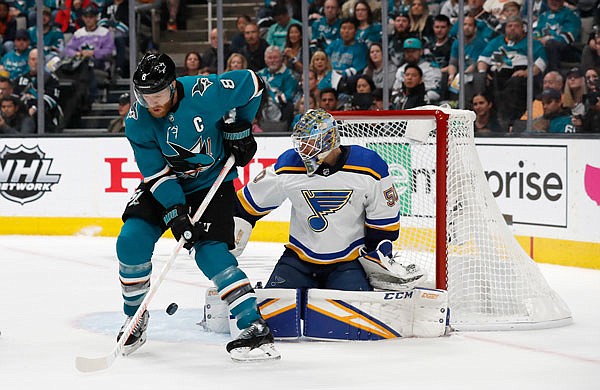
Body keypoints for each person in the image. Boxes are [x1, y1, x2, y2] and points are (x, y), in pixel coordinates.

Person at [117, 51, 279, 360]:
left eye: (159, 94)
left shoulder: (206, 91)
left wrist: (241, 128)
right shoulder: (137, 121)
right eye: (145, 96)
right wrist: (176, 212)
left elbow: (255, 84)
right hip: (166, 185)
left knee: (211, 253)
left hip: (211, 183)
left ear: (174, 86)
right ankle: (134, 317)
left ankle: (253, 326)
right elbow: (156, 173)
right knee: (130, 240)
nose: (153, 103)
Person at [233, 108, 401, 292]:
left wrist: (376, 257)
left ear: (330, 139)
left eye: (310, 142)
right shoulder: (289, 165)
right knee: (274, 312)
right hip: (298, 259)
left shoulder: (369, 166)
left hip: (349, 262)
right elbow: (247, 205)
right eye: (301, 142)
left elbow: (384, 224)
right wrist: (235, 226)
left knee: (352, 316)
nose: (303, 148)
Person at [533, 0, 581, 72]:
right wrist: (537, 39)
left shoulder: (571, 14)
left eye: (557, 0)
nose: (554, 2)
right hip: (544, 47)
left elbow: (570, 35)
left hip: (567, 50)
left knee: (551, 44)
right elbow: (537, 31)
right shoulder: (543, 16)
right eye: (551, 0)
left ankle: (554, 74)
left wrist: (549, 39)